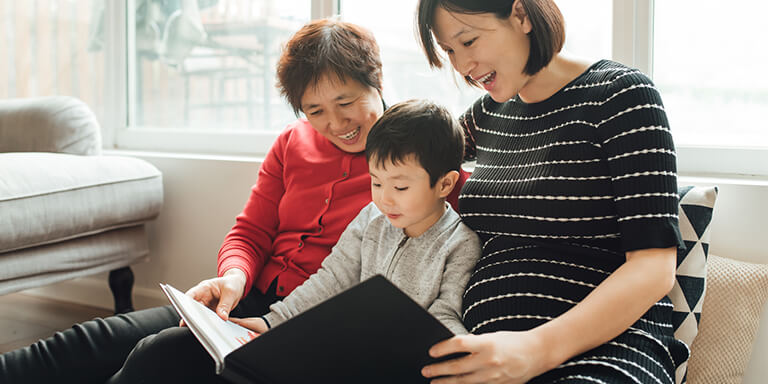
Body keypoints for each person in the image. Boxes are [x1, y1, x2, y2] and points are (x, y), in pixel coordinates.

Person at [0, 19, 463, 384]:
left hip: (307, 322)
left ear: (376, 82)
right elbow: (252, 230)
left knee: (158, 355)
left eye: (346, 102)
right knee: (94, 338)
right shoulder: (292, 143)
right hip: (247, 297)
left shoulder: (413, 162)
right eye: (315, 110)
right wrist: (233, 278)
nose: (334, 122)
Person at [415, 1, 687, 383]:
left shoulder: (620, 95)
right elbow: (409, 154)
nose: (462, 66)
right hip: (489, 353)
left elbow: (653, 267)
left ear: (522, 16)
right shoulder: (487, 116)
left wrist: (535, 349)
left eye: (469, 41)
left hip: (606, 352)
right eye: (449, 51)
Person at [232, 99, 481, 337]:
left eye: (400, 188)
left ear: (445, 184)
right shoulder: (370, 218)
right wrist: (272, 321)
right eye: (376, 182)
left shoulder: (461, 243)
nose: (385, 199)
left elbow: (446, 313)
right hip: (347, 341)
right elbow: (332, 279)